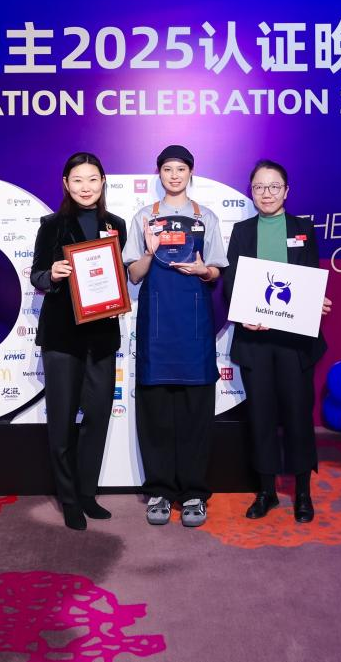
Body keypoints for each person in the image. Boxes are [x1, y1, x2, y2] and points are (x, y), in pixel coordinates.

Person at [124, 145, 228, 527]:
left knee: (195, 414)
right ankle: (160, 491)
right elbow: (134, 275)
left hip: (195, 329)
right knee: (156, 416)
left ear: (190, 173)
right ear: (159, 173)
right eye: (167, 169)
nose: (174, 175)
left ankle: (194, 493)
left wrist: (204, 271)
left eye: (180, 169)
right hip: (156, 329)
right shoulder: (144, 217)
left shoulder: (206, 217)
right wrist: (149, 253)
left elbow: (216, 271)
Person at [222, 159, 331, 523]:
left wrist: (316, 302)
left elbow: (310, 277)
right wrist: (242, 313)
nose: (266, 193)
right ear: (251, 192)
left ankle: (303, 492)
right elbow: (231, 284)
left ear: (286, 191)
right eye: (259, 187)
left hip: (294, 342)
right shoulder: (242, 231)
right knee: (261, 416)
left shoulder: (303, 229)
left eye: (273, 186)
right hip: (255, 341)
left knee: (299, 415)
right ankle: (266, 491)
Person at [30, 152, 128, 531]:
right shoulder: (51, 226)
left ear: (102, 182)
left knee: (98, 417)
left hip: (102, 337)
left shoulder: (116, 225)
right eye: (77, 180)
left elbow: (119, 276)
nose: (85, 187)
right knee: (62, 421)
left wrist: (118, 295)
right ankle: (69, 499)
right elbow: (37, 274)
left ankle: (87, 493)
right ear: (66, 184)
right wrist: (52, 273)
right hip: (62, 337)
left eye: (92, 179)